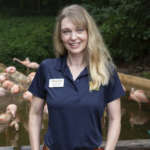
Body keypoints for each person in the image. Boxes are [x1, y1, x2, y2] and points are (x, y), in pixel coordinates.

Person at [28, 4, 125, 150]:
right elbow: (35, 114)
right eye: (66, 32)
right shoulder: (47, 68)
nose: (73, 37)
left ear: (89, 33)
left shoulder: (106, 71)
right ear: (60, 37)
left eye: (79, 30)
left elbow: (115, 118)